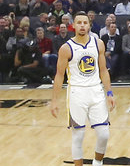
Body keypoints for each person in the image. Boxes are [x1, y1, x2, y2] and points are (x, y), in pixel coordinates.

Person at [50, 12, 115, 166]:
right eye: (79, 23)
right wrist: (54, 101)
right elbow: (59, 75)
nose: (82, 26)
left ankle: (97, 163)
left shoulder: (98, 43)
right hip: (76, 93)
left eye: (85, 23)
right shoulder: (66, 48)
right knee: (78, 136)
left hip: (96, 91)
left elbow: (104, 70)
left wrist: (110, 92)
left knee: (104, 134)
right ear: (73, 25)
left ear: (89, 25)